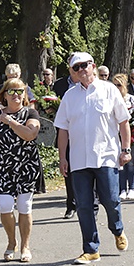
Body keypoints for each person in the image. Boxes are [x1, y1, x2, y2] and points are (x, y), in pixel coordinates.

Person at [54, 52, 130, 265]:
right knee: (84, 205)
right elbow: (63, 130)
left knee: (111, 199)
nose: (81, 70)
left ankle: (118, 230)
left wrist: (125, 149)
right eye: (75, 68)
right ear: (72, 72)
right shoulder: (70, 96)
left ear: (93, 66)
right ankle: (91, 249)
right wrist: (63, 158)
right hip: (79, 159)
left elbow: (123, 122)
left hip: (106, 156)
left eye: (84, 65)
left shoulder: (109, 90)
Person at [0, 78, 41, 263]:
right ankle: (11, 242)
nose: (16, 95)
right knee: (5, 207)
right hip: (4, 168)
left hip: (26, 167)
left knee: (24, 207)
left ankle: (25, 246)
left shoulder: (31, 113)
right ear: (4, 95)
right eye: (12, 91)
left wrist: (10, 122)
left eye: (20, 91)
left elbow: (30, 134)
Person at [52, 62, 79, 218]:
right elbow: (50, 103)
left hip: (83, 133)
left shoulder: (88, 84)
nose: (78, 70)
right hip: (65, 132)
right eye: (74, 67)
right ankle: (71, 205)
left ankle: (89, 203)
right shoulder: (60, 85)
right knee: (68, 169)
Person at [111, 74, 134, 200]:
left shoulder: (131, 99)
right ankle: (122, 189)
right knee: (120, 163)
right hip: (115, 136)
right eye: (114, 85)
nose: (117, 87)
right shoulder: (110, 99)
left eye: (119, 85)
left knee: (131, 163)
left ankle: (132, 188)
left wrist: (133, 127)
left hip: (130, 135)